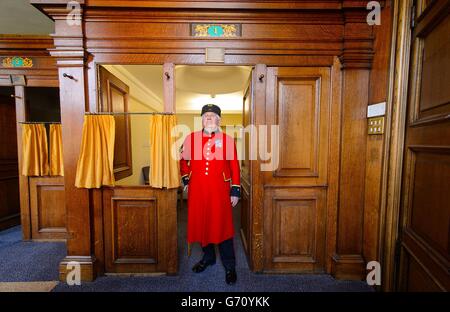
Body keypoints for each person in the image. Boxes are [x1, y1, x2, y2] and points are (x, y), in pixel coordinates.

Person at [180, 104, 240, 285]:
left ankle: (230, 266)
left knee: (223, 227)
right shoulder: (191, 138)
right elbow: (183, 161)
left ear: (219, 120)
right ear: (202, 119)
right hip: (198, 191)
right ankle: (208, 258)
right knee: (203, 224)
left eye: (212, 116)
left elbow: (234, 166)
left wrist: (235, 189)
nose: (209, 118)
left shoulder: (228, 140)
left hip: (219, 192)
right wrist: (186, 179)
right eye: (205, 115)